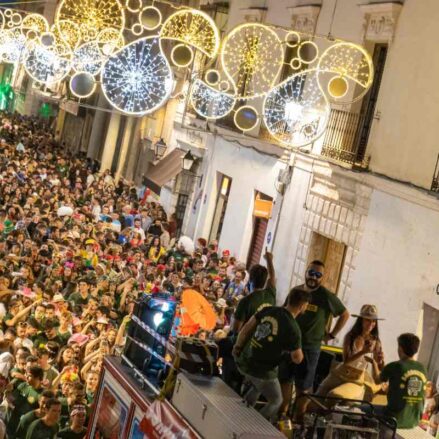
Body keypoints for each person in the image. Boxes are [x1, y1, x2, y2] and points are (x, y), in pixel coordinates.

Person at [278, 260, 350, 418]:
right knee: (285, 380)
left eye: (318, 275)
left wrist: (331, 335)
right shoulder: (295, 291)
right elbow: (284, 311)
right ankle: (282, 417)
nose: (313, 277)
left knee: (303, 389)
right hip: (289, 346)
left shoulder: (326, 296)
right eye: (311, 273)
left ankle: (297, 421)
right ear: (306, 272)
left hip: (310, 348)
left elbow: (345, 314)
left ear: (323, 278)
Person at [232, 287, 309, 422]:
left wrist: (237, 346)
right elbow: (297, 358)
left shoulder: (268, 309)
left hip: (245, 361)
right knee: (276, 400)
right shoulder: (293, 328)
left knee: (257, 387)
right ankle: (256, 426)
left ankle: (240, 416)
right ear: (302, 306)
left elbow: (246, 328)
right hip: (263, 371)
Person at [316, 304, 384, 402]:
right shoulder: (350, 336)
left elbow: (380, 369)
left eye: (374, 321)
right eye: (368, 320)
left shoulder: (376, 341)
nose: (371, 324)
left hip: (356, 379)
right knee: (316, 399)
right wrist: (363, 352)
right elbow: (346, 360)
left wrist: (380, 361)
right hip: (340, 373)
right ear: (361, 320)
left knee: (334, 396)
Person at [373, 333, 427, 429]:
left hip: (394, 419)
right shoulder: (422, 368)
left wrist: (374, 362)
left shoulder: (395, 366)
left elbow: (377, 380)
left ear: (400, 348)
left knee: (362, 409)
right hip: (414, 421)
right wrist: (382, 364)